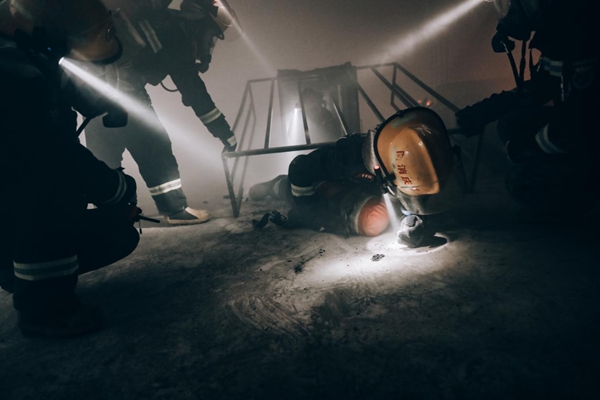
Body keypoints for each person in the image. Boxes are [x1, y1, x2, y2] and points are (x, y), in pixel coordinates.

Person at [0, 0, 141, 337]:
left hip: (13, 209)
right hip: (16, 203)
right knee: (50, 193)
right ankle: (44, 310)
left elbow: (57, 81)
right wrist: (119, 189)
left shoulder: (25, 49)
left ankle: (22, 273)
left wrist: (103, 103)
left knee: (117, 231)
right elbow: (57, 157)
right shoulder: (11, 76)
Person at [82, 0, 240, 225]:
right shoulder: (174, 32)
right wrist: (224, 132)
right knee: (155, 145)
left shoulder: (158, 21)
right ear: (199, 21)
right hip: (124, 92)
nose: (209, 43)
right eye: (211, 35)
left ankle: (114, 212)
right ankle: (175, 209)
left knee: (105, 154)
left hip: (92, 90)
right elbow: (195, 93)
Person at [455, 0, 599, 216]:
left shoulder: (585, 43)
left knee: (522, 183)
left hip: (586, 133)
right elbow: (536, 91)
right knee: (510, 126)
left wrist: (528, 147)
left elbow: (580, 126)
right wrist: (482, 112)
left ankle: (583, 203)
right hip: (577, 123)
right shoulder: (562, 40)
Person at [250, 107, 467, 247]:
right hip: (323, 186)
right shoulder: (346, 157)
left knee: (375, 218)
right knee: (371, 220)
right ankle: (273, 186)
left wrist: (411, 220)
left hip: (364, 189)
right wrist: (310, 212)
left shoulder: (415, 153)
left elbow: (409, 189)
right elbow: (299, 167)